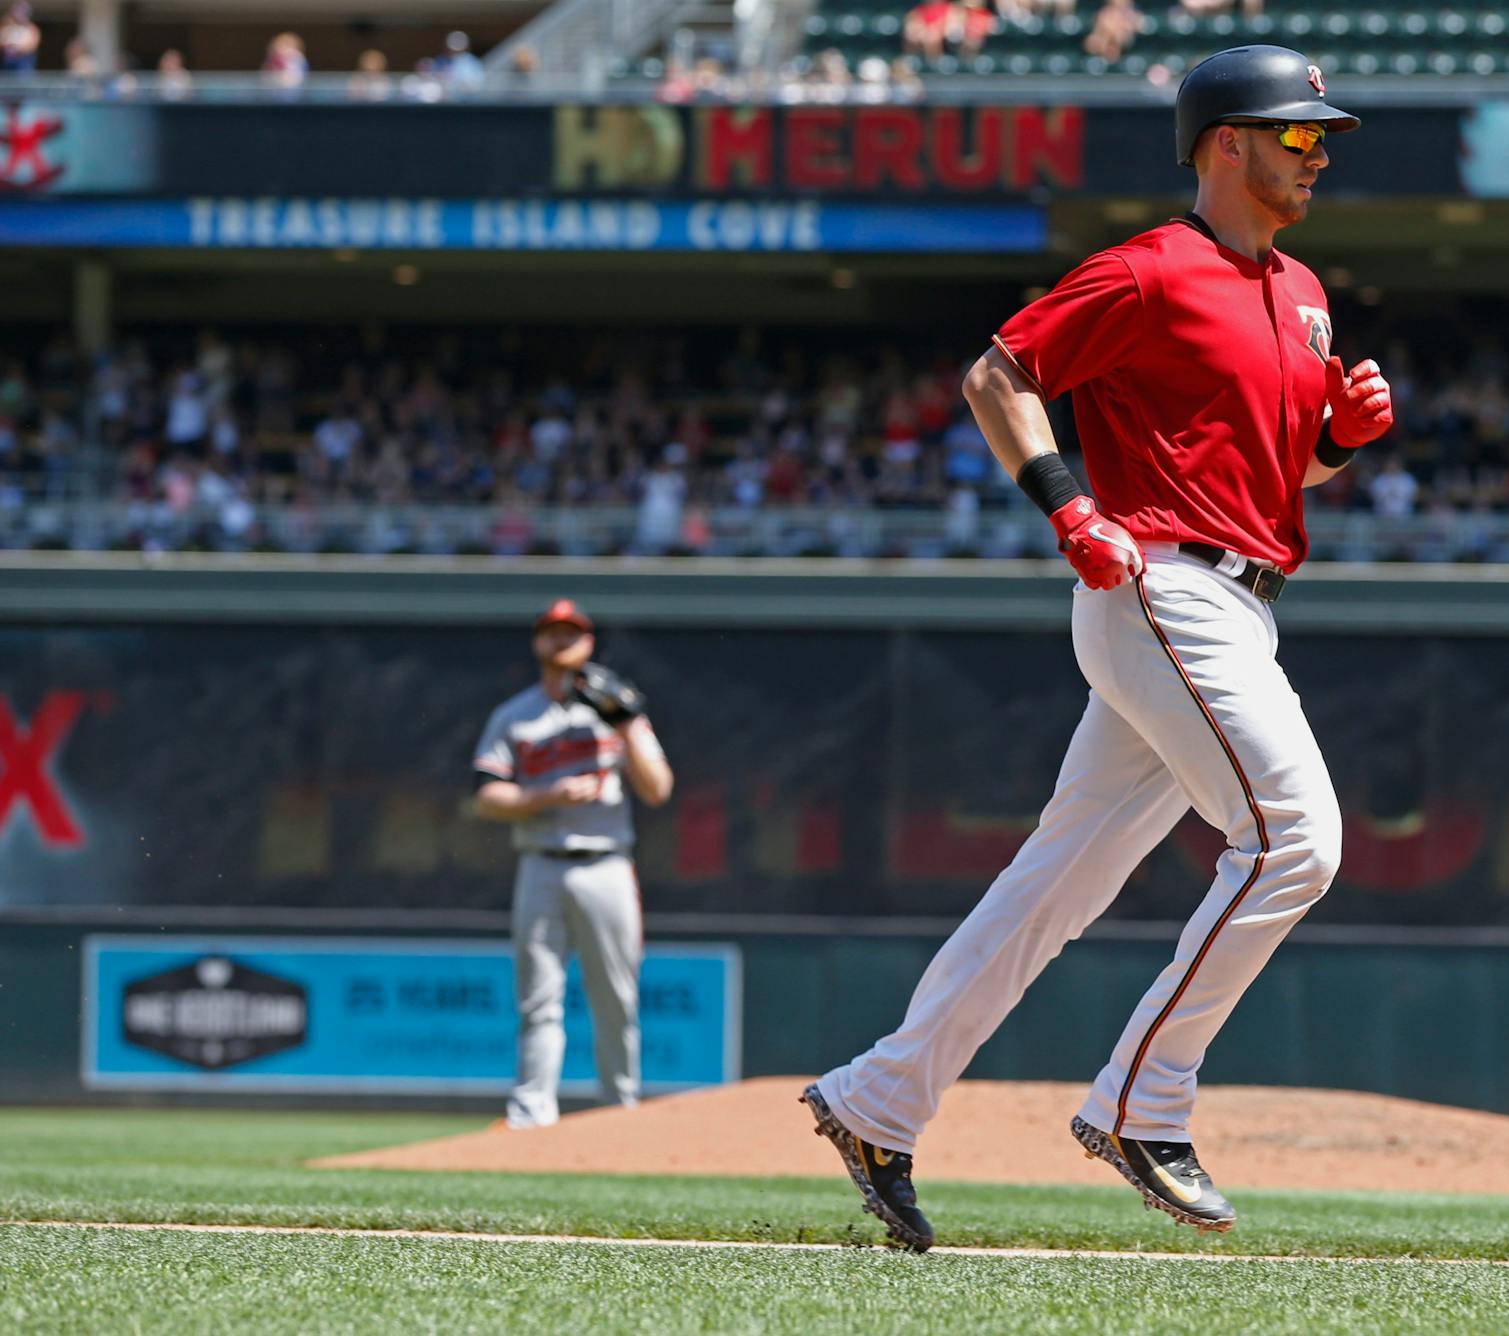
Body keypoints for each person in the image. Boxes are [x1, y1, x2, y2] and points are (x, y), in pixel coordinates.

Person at [800, 45, 1388, 1252]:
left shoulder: (1304, 288)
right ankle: (1143, 1099)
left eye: (1321, 134)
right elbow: (999, 374)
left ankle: (878, 1099)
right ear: (1226, 142)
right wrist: (1068, 504)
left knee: (1056, 885)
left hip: (1239, 590)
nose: (1318, 150)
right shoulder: (1149, 271)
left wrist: (1338, 440)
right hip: (1161, 584)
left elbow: (1283, 474)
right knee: (1297, 839)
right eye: (1297, 133)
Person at [471, 600, 675, 1129]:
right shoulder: (515, 715)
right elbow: (486, 796)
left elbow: (658, 789)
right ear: (538, 642)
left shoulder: (615, 711)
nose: (562, 641)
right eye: (552, 632)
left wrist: (626, 723)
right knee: (538, 998)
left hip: (607, 863)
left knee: (616, 997)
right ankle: (531, 1114)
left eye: (572, 632)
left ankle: (619, 1110)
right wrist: (545, 795)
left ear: (588, 642)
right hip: (540, 861)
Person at [1, 3, 38, 74]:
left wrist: (17, 49)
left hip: (22, 60)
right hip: (6, 59)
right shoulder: (6, 26)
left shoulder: (31, 28)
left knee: (22, 80)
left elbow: (32, 45)